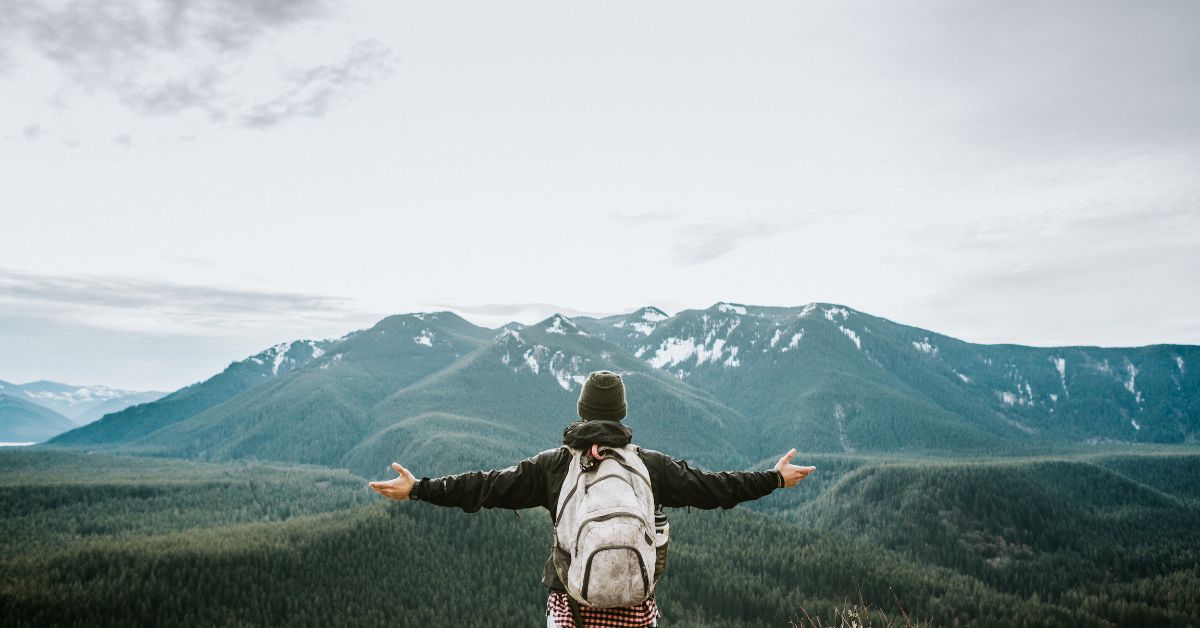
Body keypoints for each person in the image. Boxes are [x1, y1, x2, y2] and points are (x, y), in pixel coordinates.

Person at [368, 369, 816, 627]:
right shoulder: (650, 465)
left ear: (581, 412)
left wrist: (420, 488)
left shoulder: (554, 465)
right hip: (635, 608)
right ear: (622, 415)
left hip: (571, 607)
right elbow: (717, 487)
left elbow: (483, 487)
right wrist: (773, 479)